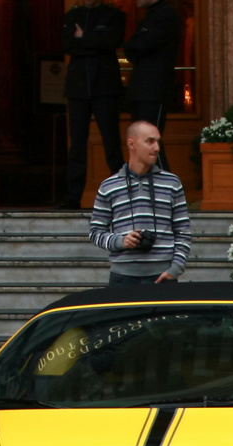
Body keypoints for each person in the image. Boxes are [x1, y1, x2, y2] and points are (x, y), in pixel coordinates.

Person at [88, 120, 191, 286]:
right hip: (122, 277)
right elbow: (95, 233)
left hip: (163, 276)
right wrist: (121, 241)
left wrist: (175, 269)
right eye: (150, 141)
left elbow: (183, 231)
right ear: (131, 144)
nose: (156, 148)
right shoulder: (109, 186)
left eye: (158, 142)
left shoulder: (172, 183)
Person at [57, 0, 126, 210]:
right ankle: (73, 196)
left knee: (111, 143)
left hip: (105, 86)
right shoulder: (71, 16)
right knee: (77, 144)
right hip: (78, 88)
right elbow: (68, 44)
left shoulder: (114, 15)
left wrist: (84, 38)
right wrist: (94, 44)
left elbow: (111, 42)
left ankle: (122, 197)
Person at [122, 0, 182, 171]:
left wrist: (134, 46)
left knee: (151, 143)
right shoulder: (149, 16)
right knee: (140, 144)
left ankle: (169, 192)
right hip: (140, 89)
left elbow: (141, 45)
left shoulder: (167, 16)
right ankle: (147, 192)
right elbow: (132, 48)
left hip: (155, 90)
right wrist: (133, 46)